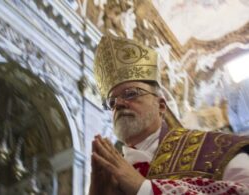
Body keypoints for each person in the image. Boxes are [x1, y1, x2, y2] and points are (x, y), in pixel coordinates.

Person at [89, 35, 249, 195]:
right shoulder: (109, 176)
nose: (118, 104)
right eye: (111, 103)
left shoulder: (217, 149)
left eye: (131, 93)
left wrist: (144, 189)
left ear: (161, 106)